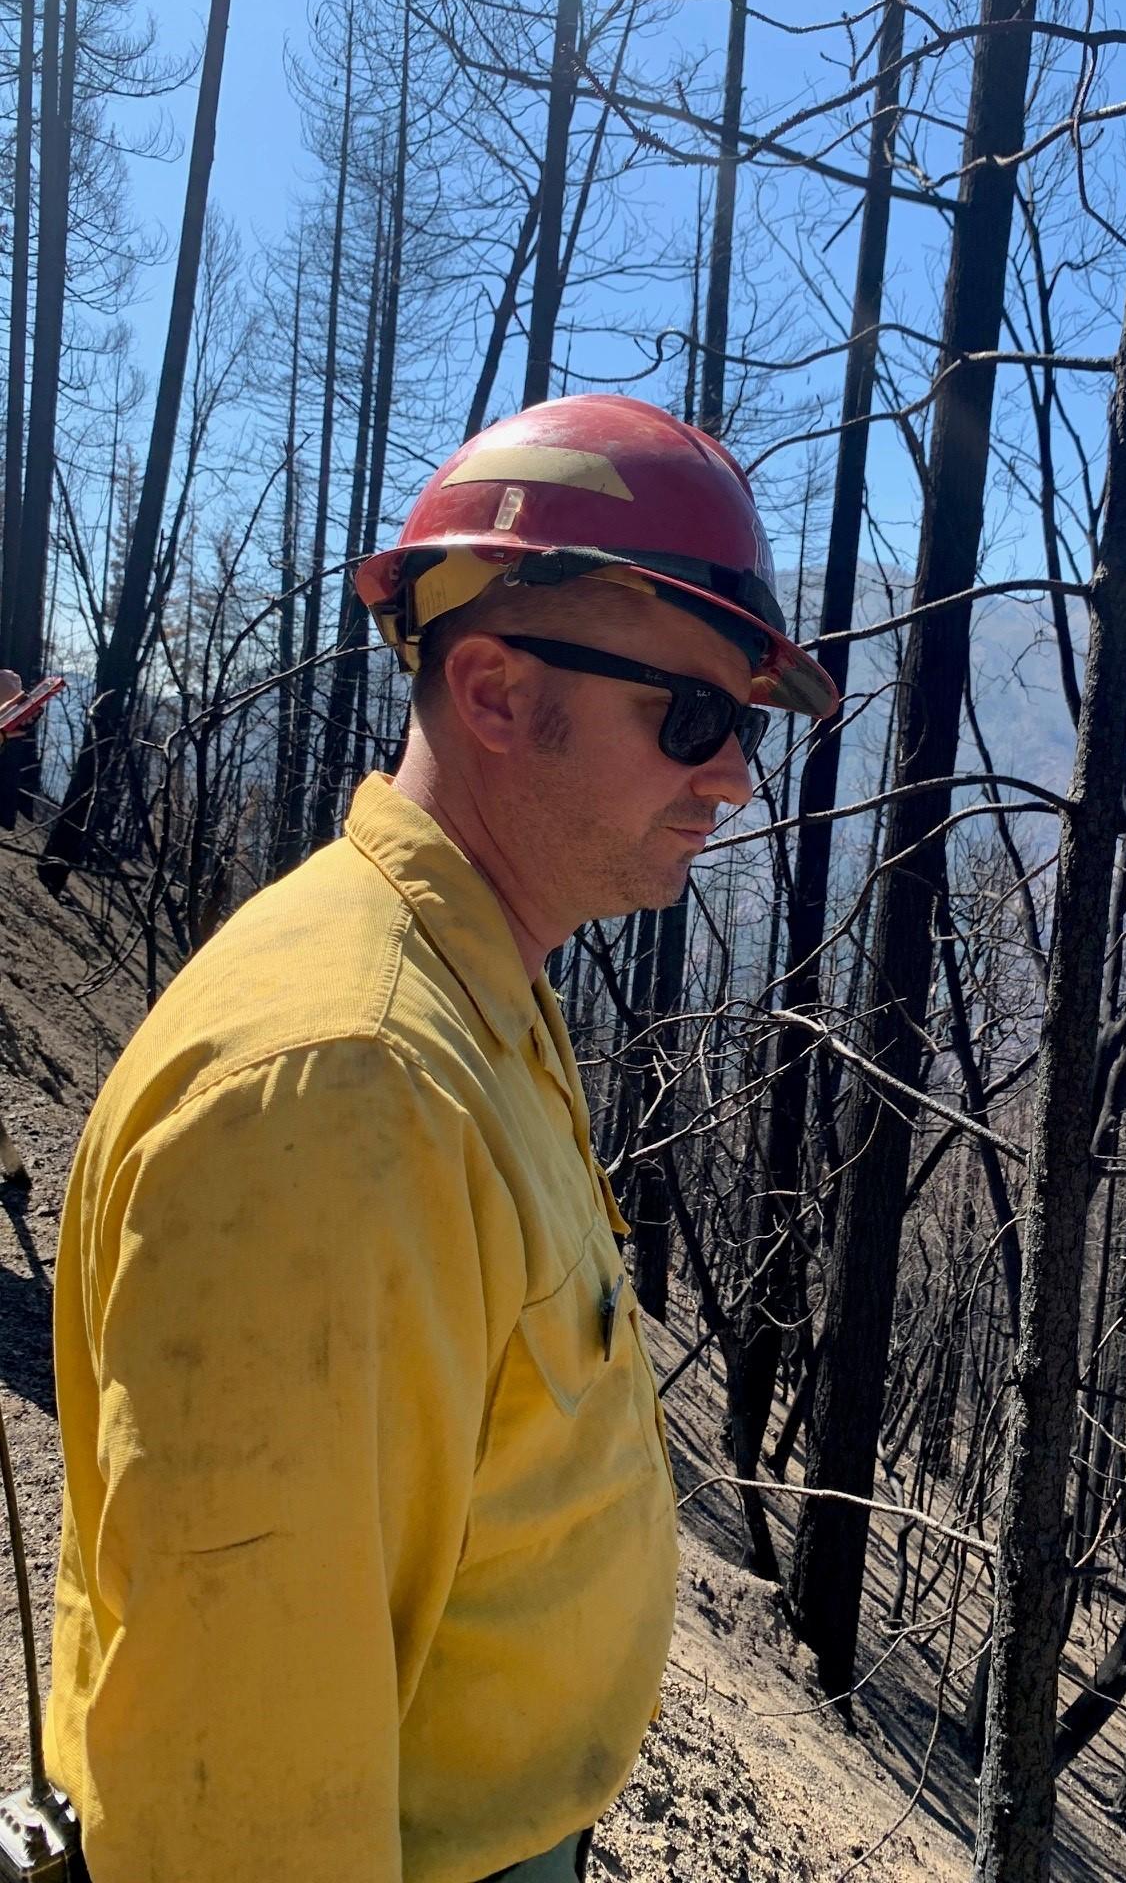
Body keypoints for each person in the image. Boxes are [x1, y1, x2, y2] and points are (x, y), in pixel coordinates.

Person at [43, 394, 838, 1883]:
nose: (733, 775)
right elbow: (242, 1810)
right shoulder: (343, 1092)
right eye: (695, 716)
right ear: (489, 690)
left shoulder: (471, 998)